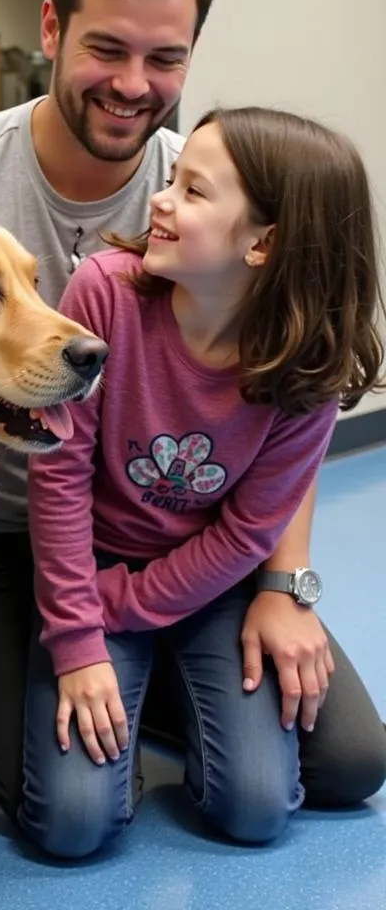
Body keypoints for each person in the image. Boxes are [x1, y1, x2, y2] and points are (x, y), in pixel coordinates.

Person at [0, 0, 386, 821]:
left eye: (166, 58)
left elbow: (282, 414)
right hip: (1, 541)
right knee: (72, 811)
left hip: (185, 540)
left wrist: (286, 587)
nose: (134, 83)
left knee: (345, 765)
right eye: (108, 49)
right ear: (51, 28)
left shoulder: (207, 187)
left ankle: (166, 683)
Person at [21, 106, 385, 855]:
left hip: (207, 590)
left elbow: (250, 531)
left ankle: (162, 690)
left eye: (192, 191)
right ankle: (138, 693)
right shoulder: (104, 294)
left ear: (263, 243)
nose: (158, 199)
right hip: (90, 576)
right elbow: (57, 482)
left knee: (258, 811)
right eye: (173, 182)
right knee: (70, 826)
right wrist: (82, 637)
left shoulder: (305, 368)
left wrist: (124, 609)